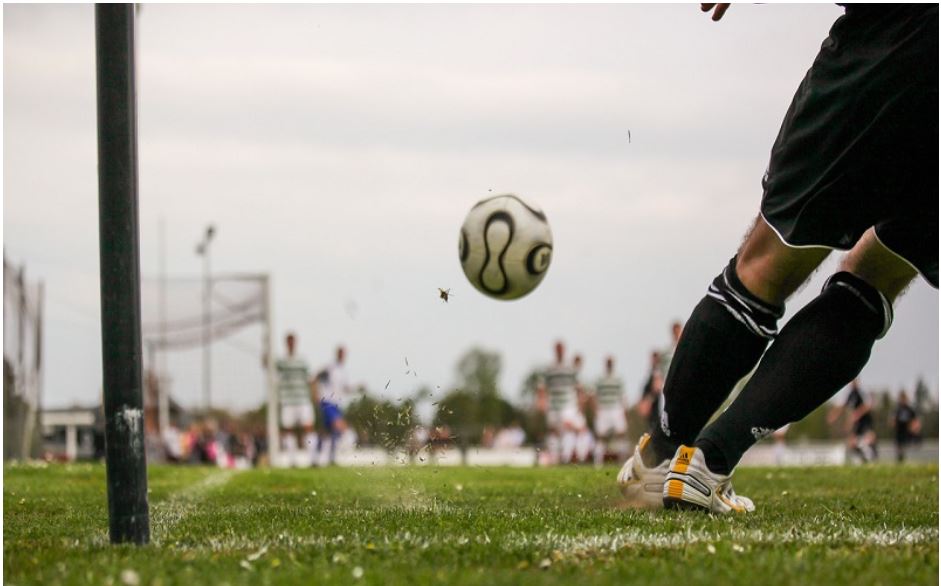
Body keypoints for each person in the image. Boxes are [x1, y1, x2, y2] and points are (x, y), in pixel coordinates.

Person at [619, 3, 937, 513]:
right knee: (876, 276)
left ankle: (661, 458)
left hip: (895, 35)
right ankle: (708, 462)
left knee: (764, 266)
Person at [535, 341, 586, 465]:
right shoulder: (549, 368)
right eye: (557, 349)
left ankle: (566, 457)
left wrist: (580, 403)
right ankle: (554, 457)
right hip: (553, 405)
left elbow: (579, 386)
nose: (559, 351)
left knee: (568, 427)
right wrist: (541, 400)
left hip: (567, 404)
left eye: (561, 349)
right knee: (553, 430)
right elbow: (542, 386)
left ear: (564, 350)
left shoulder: (570, 368)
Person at [276, 332, 318, 467]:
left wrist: (314, 394)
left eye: (293, 341)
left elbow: (310, 379)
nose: (291, 344)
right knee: (288, 429)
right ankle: (292, 461)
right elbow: (269, 368)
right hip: (288, 401)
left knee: (308, 428)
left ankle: (313, 460)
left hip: (303, 400)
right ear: (286, 343)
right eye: (289, 341)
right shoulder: (281, 361)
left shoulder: (302, 360)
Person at [316, 345, 353, 466]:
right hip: (327, 401)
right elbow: (315, 377)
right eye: (340, 353)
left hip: (338, 403)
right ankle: (343, 451)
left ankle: (328, 458)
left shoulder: (344, 371)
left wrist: (358, 388)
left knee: (329, 432)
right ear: (337, 354)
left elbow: (346, 388)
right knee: (340, 427)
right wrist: (315, 394)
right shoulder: (330, 367)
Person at [828, 379, 878, 463]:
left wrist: (858, 414)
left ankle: (873, 458)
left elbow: (868, 405)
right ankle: (864, 459)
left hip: (865, 421)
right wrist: (834, 415)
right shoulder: (850, 394)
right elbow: (842, 406)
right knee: (852, 443)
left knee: (870, 438)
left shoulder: (862, 392)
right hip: (857, 423)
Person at [592, 356, 629, 467]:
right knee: (601, 436)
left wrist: (624, 410)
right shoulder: (600, 379)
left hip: (616, 408)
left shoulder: (618, 379)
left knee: (621, 433)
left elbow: (623, 396)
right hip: (603, 408)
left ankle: (622, 460)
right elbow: (595, 395)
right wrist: (596, 410)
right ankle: (598, 463)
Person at [892, 391, 920, 463]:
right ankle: (900, 461)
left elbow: (916, 421)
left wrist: (914, 428)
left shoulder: (910, 409)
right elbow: (893, 421)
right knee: (899, 451)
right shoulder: (897, 409)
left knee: (907, 450)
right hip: (899, 433)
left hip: (908, 433)